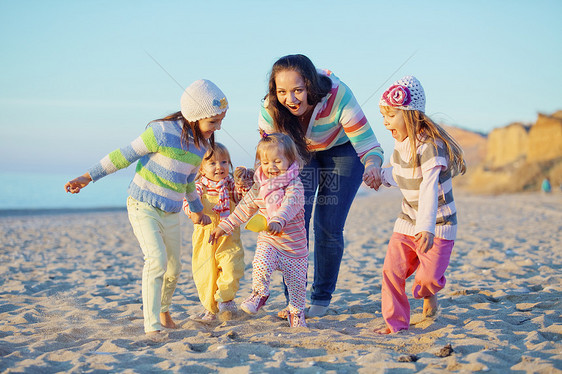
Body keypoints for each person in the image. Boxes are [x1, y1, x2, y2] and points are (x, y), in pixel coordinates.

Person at [64, 79, 229, 341]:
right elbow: (122, 156)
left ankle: (163, 310)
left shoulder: (201, 147)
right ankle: (151, 323)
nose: (218, 127)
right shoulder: (161, 133)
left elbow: (188, 182)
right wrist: (87, 177)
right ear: (195, 116)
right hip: (143, 205)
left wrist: (197, 211)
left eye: (221, 120)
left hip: (171, 211)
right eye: (214, 121)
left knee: (174, 268)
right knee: (156, 260)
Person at [258, 54, 384, 318]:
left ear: (310, 86)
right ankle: (294, 301)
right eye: (282, 92)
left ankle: (321, 298)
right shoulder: (270, 109)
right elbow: (270, 157)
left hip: (343, 151)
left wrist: (372, 165)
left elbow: (368, 145)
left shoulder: (339, 95)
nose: (290, 99)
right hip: (301, 154)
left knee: (327, 225)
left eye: (298, 90)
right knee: (292, 223)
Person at [373, 76, 466, 334]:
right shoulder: (400, 146)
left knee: (427, 279)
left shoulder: (430, 147)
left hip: (438, 225)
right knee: (392, 271)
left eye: (390, 115)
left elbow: (427, 187)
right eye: (383, 116)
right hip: (407, 221)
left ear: (410, 115)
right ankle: (396, 324)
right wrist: (380, 176)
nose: (385, 122)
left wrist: (426, 229)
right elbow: (402, 174)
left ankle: (428, 293)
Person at [209, 133, 308, 327]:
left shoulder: (295, 186)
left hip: (294, 247)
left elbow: (288, 206)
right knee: (260, 262)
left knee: (297, 286)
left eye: (277, 161)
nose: (271, 167)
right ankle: (259, 293)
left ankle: (295, 312)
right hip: (270, 241)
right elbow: (244, 208)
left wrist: (278, 220)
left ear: (291, 160)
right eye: (265, 162)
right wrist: (224, 225)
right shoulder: (259, 187)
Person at [182, 143, 254, 322]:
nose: (219, 167)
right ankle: (210, 309)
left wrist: (243, 185)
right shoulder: (198, 186)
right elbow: (188, 201)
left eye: (223, 162)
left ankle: (226, 300)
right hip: (205, 237)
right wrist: (194, 213)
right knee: (206, 272)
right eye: (212, 163)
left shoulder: (230, 184)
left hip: (229, 235)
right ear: (201, 167)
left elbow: (240, 199)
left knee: (232, 265)